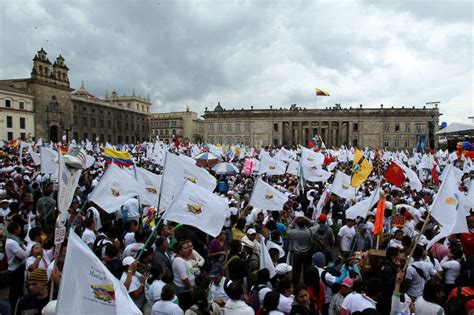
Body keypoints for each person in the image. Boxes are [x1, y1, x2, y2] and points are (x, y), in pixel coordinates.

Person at [287, 216, 319, 286]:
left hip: (297, 253)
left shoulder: (294, 232)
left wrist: (293, 221)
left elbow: (288, 230)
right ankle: (307, 284)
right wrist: (307, 219)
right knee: (307, 270)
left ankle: (295, 286)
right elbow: (317, 224)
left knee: (296, 271)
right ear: (305, 224)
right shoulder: (310, 231)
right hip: (307, 253)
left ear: (297, 224)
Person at [5, 222, 27, 308]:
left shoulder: (15, 239)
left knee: (18, 289)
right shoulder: (12, 242)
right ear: (15, 230)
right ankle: (14, 306)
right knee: (15, 290)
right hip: (15, 269)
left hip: (19, 267)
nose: (20, 229)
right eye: (19, 228)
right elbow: (22, 254)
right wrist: (26, 252)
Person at [173, 240, 195, 311]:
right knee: (187, 308)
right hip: (184, 291)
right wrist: (191, 289)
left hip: (188, 288)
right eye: (185, 248)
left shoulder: (184, 258)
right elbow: (184, 278)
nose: (188, 249)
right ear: (179, 250)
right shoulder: (179, 261)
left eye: (188, 247)